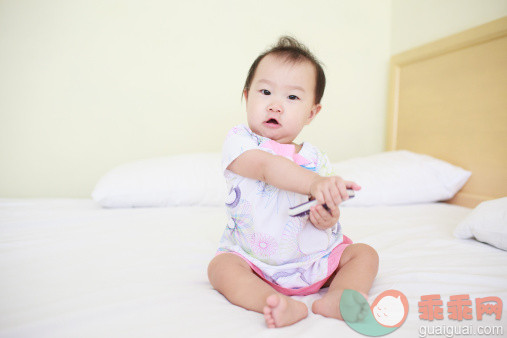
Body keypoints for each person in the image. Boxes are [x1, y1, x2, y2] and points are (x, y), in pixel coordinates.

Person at [207, 36, 379, 328]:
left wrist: (327, 216)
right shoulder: (240, 142)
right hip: (254, 262)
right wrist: (315, 183)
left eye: (292, 97)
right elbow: (267, 168)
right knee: (220, 268)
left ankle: (340, 297)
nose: (275, 105)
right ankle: (275, 304)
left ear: (311, 112)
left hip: (315, 260)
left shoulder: (317, 159)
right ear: (247, 97)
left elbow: (324, 214)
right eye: (265, 92)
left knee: (364, 254)